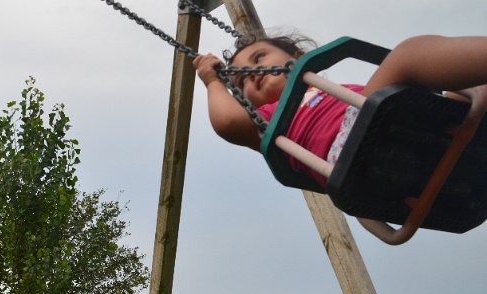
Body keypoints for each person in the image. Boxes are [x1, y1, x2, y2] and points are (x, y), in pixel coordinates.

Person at [193, 33, 487, 186]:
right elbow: (228, 122)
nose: (252, 73)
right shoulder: (269, 120)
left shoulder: (337, 91)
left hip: (414, 132)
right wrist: (212, 81)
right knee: (408, 55)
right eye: (241, 81)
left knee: (477, 91)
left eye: (259, 58)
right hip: (352, 151)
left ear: (300, 57)